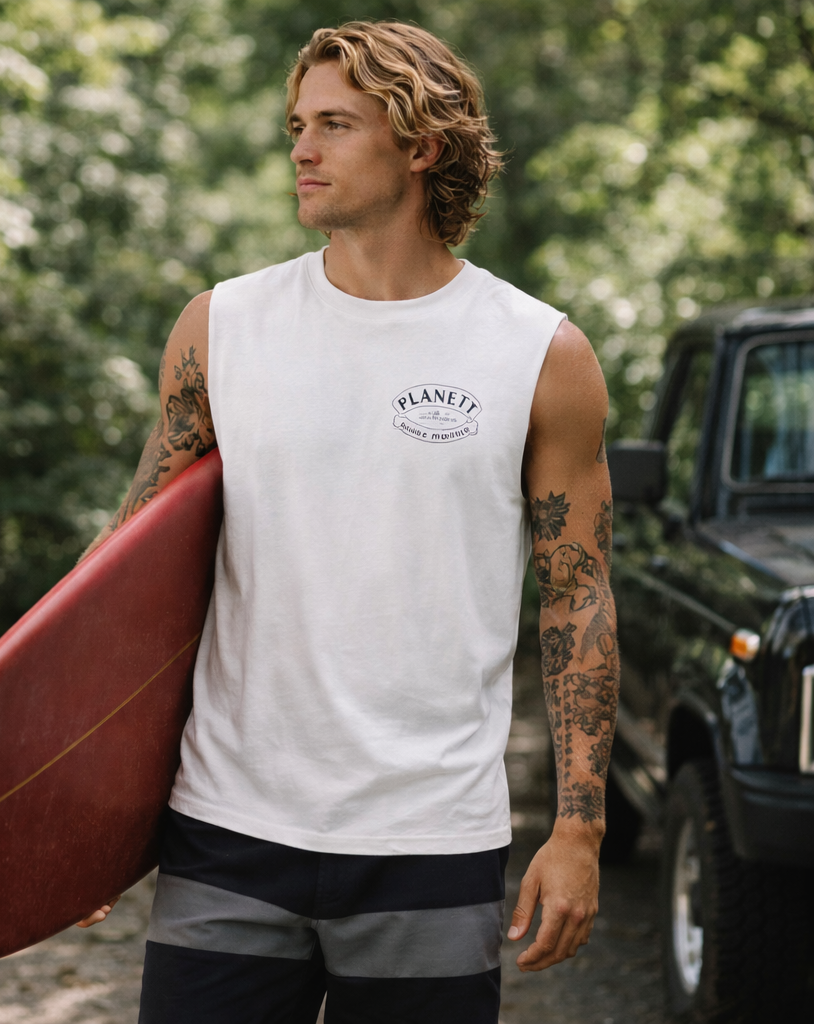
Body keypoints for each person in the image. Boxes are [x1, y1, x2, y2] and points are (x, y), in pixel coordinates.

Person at [78, 20, 618, 1024]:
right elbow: (128, 574)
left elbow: (577, 598)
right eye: (296, 124)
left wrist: (577, 829)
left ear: (420, 145)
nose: (301, 149)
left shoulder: (539, 353)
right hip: (227, 829)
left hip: (430, 838)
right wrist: (89, 806)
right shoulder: (220, 329)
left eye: (334, 123)